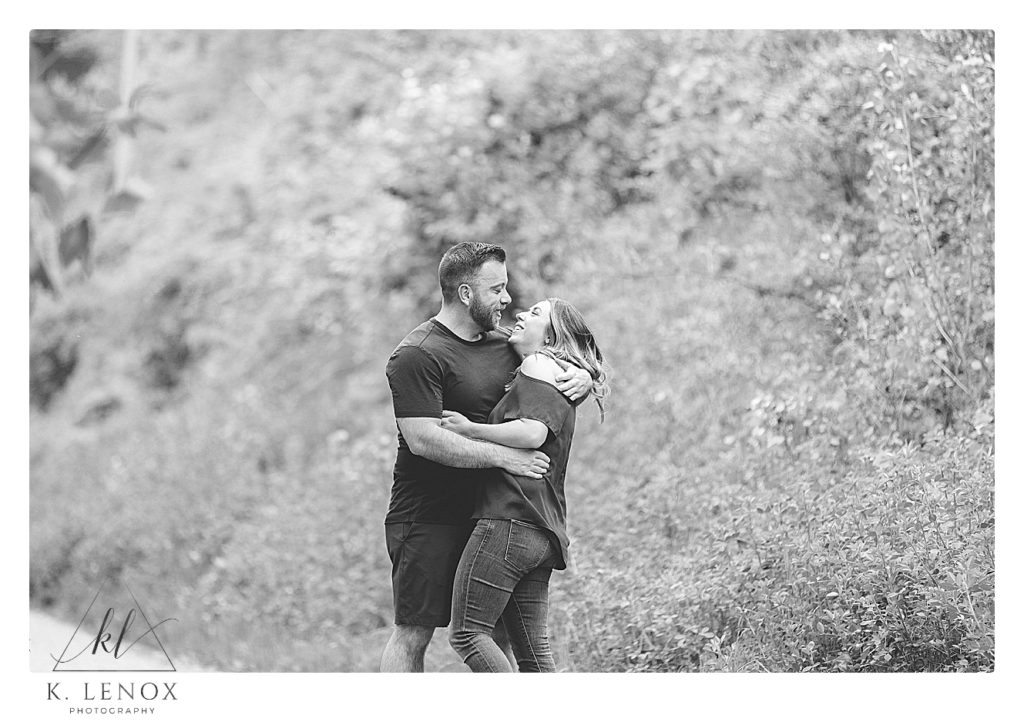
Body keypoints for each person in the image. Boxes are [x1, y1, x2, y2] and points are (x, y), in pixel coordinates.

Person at [379, 243, 593, 673]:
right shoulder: (418, 354)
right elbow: (423, 439)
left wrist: (584, 375)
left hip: (496, 515)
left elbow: (548, 375)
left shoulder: (505, 345)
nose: (508, 299)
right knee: (414, 631)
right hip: (429, 514)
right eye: (496, 289)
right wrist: (504, 458)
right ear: (464, 294)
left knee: (499, 634)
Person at [444, 297, 607, 672]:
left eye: (535, 313)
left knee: (467, 633)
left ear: (551, 336)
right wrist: (590, 374)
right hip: (539, 529)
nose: (520, 314)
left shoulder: (538, 363)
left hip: (509, 519)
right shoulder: (558, 372)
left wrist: (471, 429)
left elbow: (532, 432)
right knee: (534, 654)